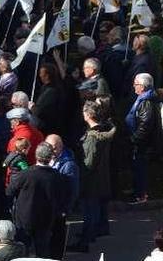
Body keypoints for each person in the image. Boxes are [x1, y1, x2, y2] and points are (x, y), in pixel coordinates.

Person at [69, 101, 115, 253]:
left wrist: (80, 179)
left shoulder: (92, 137)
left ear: (88, 115)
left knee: (89, 210)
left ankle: (85, 241)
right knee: (95, 208)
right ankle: (94, 232)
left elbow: (88, 162)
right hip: (101, 177)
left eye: (84, 112)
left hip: (91, 180)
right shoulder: (104, 130)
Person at [5, 142, 64, 258]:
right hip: (45, 219)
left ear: (37, 156)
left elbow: (9, 191)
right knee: (42, 251)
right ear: (50, 157)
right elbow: (61, 197)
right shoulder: (57, 176)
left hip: (24, 219)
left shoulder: (26, 174)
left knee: (23, 250)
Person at [126, 73, 158, 204]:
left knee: (141, 169)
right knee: (137, 167)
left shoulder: (146, 102)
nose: (134, 86)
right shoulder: (142, 98)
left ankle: (141, 195)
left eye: (136, 84)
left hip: (143, 144)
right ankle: (136, 190)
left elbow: (145, 125)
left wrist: (134, 138)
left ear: (143, 87)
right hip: (140, 142)